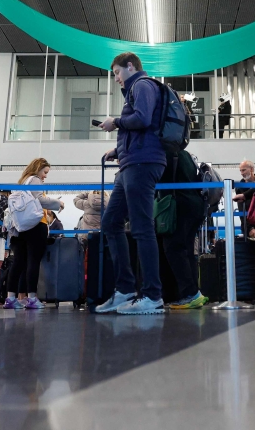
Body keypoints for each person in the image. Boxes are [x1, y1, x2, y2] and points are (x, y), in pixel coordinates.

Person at [95, 52, 167, 315]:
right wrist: (118, 151)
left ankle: (152, 296)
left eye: (116, 72)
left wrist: (115, 122)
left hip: (142, 164)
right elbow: (140, 126)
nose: (116, 79)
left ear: (130, 66)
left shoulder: (142, 85)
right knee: (111, 223)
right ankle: (125, 289)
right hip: (131, 162)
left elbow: (143, 118)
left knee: (141, 227)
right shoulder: (136, 88)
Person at [4, 160, 61, 310]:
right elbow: (41, 200)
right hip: (35, 225)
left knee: (18, 262)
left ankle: (10, 298)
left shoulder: (22, 182)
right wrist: (58, 203)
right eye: (45, 172)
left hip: (20, 227)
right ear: (38, 169)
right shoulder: (34, 180)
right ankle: (32, 298)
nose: (45, 176)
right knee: (33, 262)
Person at [162, 150, 210, 309]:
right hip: (195, 205)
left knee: (173, 248)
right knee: (187, 250)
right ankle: (194, 293)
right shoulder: (186, 155)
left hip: (180, 205)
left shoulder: (166, 153)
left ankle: (190, 294)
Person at [234, 160, 255, 262]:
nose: (242, 173)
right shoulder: (240, 187)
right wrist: (249, 228)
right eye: (240, 170)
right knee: (250, 258)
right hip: (249, 224)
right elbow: (242, 210)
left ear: (252, 169)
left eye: (244, 170)